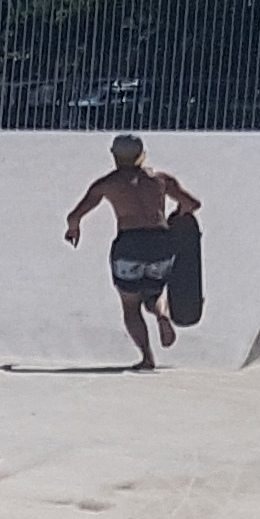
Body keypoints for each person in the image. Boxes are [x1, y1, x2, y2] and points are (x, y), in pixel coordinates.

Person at [64, 133, 202, 369]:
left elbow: (74, 216)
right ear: (141, 154)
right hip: (160, 242)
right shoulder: (160, 179)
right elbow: (192, 204)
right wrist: (178, 215)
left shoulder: (107, 183)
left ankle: (147, 357)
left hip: (129, 243)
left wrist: (73, 230)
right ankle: (161, 315)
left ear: (116, 157)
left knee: (130, 304)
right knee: (154, 292)